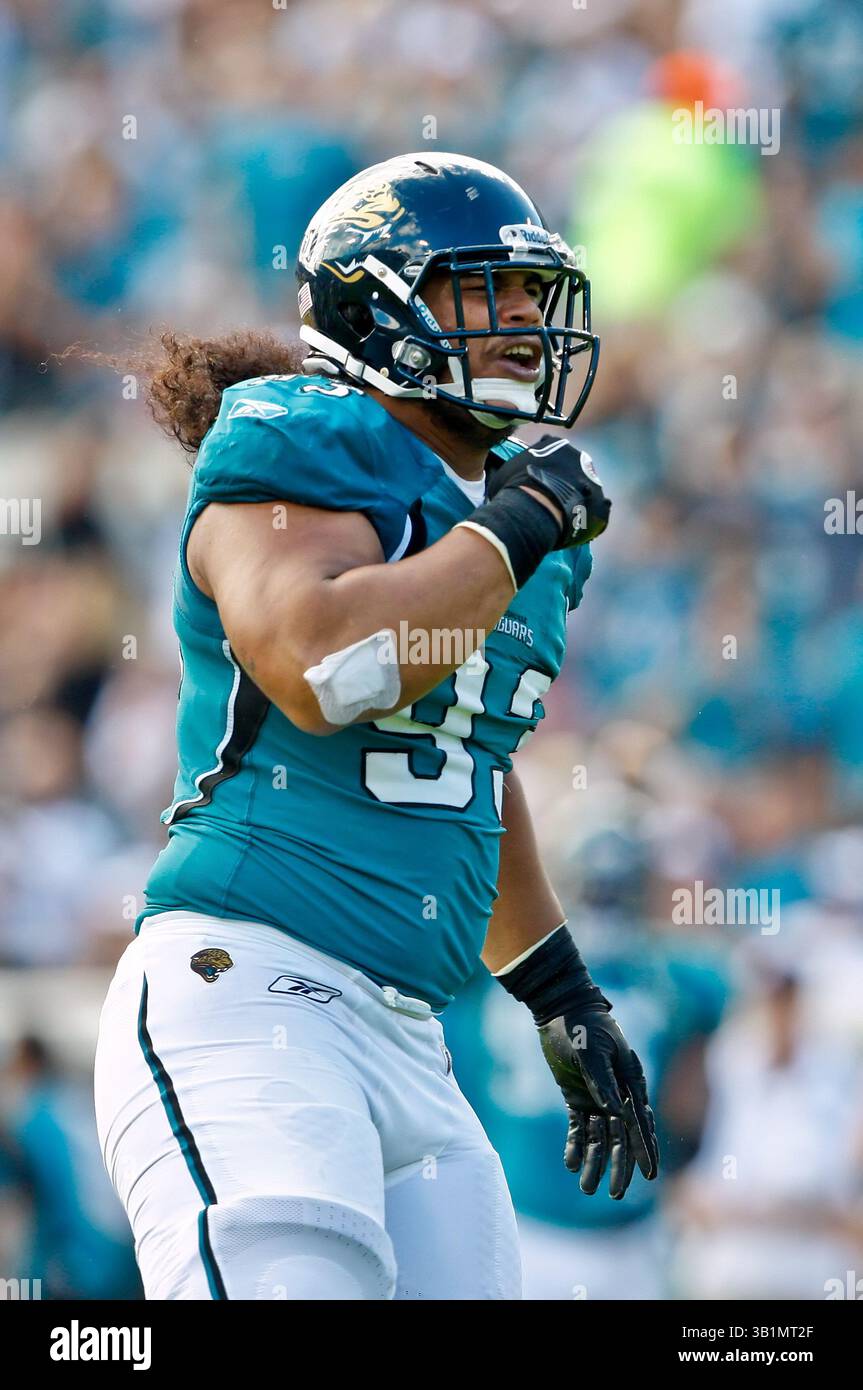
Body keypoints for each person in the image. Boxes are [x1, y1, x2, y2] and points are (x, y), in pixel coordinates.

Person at [93, 151, 658, 1301]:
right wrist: (509, 529)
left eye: (530, 294)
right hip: (250, 991)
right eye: (482, 289)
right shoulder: (300, 436)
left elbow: (462, 768)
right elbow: (321, 665)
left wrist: (559, 991)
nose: (520, 320)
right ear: (378, 303)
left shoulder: (515, 522)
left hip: (414, 1041)